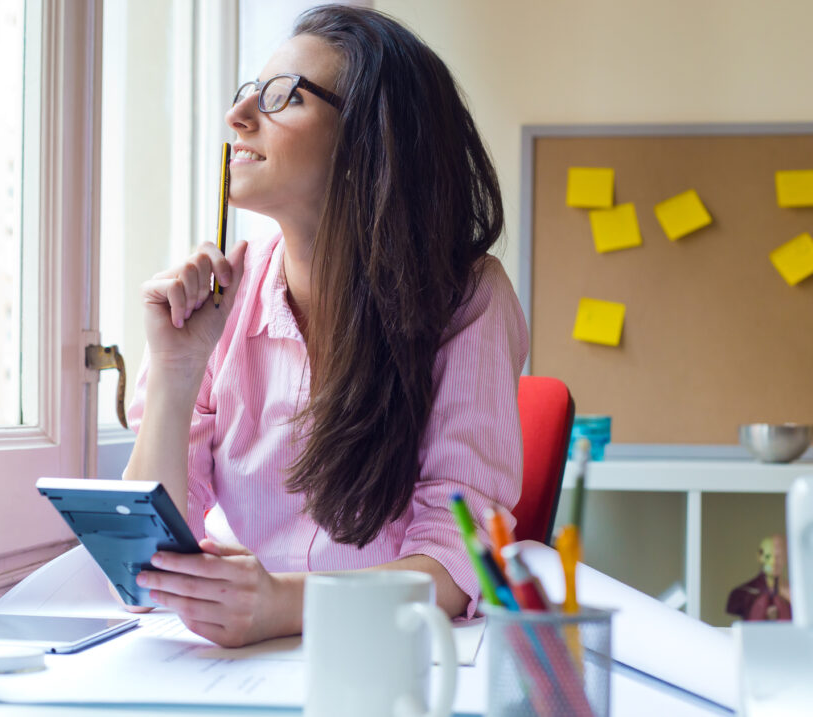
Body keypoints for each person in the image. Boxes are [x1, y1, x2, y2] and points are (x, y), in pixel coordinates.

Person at [122, 4, 529, 647]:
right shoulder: (220, 298)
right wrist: (175, 373)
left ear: (372, 137)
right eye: (248, 93)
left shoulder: (467, 297)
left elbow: (458, 563)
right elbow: (146, 560)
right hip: (230, 668)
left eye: (282, 97)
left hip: (387, 655)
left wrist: (285, 605)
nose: (238, 118)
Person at [726, 534, 792, 621]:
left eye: (778, 557)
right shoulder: (742, 593)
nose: (773, 562)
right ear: (760, 556)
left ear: (786, 558)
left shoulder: (794, 593)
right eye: (768, 556)